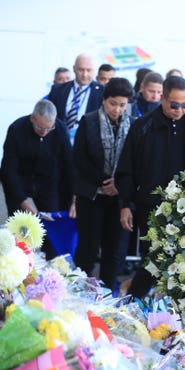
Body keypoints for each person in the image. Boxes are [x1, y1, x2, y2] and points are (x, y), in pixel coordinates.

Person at [115, 76, 185, 297]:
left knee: (183, 263)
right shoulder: (143, 127)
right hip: (151, 208)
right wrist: (125, 204)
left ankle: (171, 315)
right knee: (153, 260)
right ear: (163, 99)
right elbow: (126, 169)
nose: (180, 110)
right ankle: (134, 300)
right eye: (174, 105)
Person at [73, 78, 134, 289]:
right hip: (91, 194)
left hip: (119, 198)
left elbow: (135, 161)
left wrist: (118, 184)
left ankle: (107, 295)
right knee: (87, 250)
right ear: (104, 100)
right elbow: (79, 159)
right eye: (113, 103)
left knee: (114, 251)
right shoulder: (88, 121)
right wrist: (104, 182)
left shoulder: (133, 125)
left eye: (122, 105)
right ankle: (79, 291)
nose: (117, 109)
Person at [0, 100, 74, 259]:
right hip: (21, 181)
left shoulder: (60, 129)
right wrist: (22, 200)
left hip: (48, 182)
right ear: (32, 118)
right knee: (20, 230)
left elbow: (69, 165)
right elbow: (8, 170)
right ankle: (18, 265)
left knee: (51, 229)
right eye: (41, 127)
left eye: (49, 128)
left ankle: (53, 267)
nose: (45, 132)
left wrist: (74, 197)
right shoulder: (16, 129)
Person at [47, 53, 104, 139]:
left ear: (94, 70)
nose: (84, 74)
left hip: (88, 143)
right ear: (74, 68)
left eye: (89, 70)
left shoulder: (102, 92)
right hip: (60, 142)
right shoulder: (57, 90)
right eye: (81, 70)